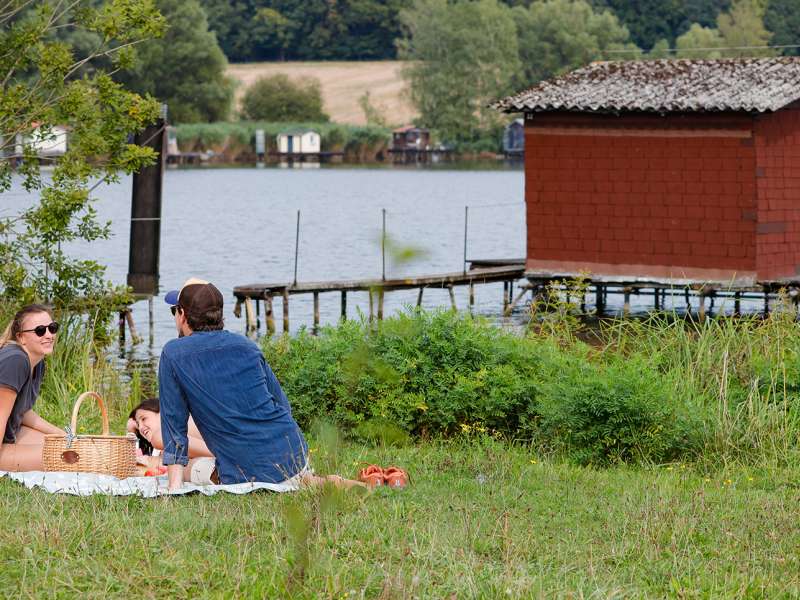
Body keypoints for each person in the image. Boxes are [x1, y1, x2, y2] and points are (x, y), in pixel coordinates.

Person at [158, 278, 364, 491]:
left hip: (245, 469)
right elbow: (282, 405)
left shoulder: (173, 353)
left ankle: (301, 480)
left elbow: (174, 423)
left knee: (191, 467)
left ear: (182, 314)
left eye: (174, 311)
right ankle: (320, 481)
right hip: (291, 451)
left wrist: (174, 487)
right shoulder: (247, 346)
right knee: (296, 478)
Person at [0, 304, 63, 471]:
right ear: (21, 337)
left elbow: (21, 410)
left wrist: (62, 434)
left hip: (10, 434)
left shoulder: (38, 361)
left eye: (52, 328)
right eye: (40, 330)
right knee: (65, 458)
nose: (49, 335)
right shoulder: (15, 361)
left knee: (67, 446)